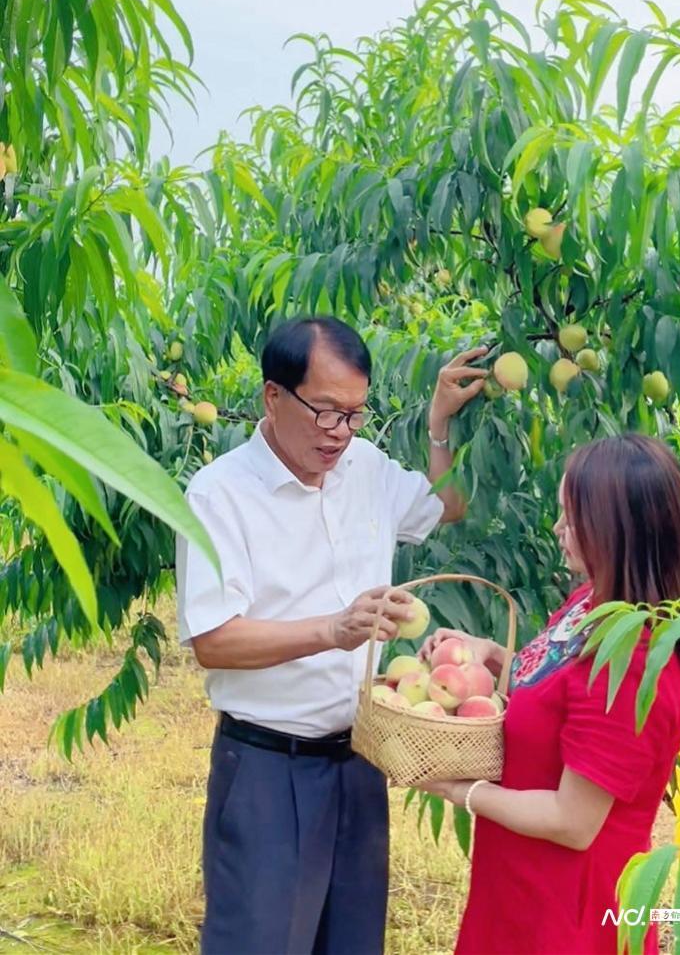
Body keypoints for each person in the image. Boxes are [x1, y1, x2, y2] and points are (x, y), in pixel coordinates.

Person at [175, 315, 488, 955]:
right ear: (273, 396)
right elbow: (214, 639)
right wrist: (332, 629)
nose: (340, 434)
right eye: (324, 412)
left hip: (358, 762)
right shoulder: (220, 495)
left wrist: (438, 424)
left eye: (355, 414)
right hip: (267, 767)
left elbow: (445, 505)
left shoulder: (365, 468)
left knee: (351, 941)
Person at [419, 433, 680, 955]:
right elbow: (557, 697)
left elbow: (573, 822)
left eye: (572, 519)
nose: (558, 530)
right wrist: (490, 655)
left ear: (618, 531)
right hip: (519, 888)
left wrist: (459, 790)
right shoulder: (595, 603)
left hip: (568, 914)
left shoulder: (632, 658)